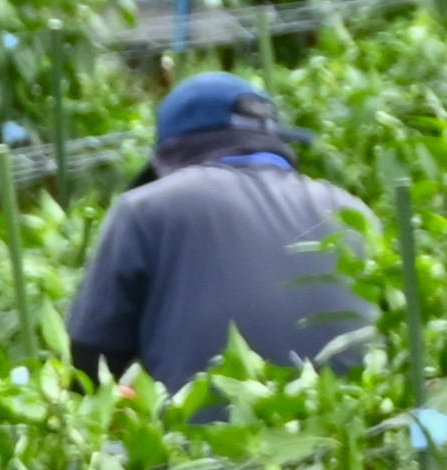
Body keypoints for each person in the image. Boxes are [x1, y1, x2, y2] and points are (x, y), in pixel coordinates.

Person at [66, 71, 372, 396]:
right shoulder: (353, 212)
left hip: (201, 444)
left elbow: (86, 368)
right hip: (351, 434)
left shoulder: (146, 209)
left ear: (170, 154)